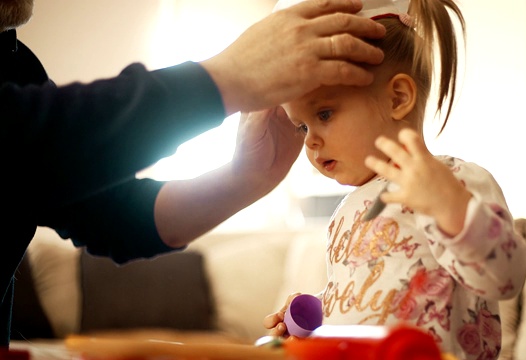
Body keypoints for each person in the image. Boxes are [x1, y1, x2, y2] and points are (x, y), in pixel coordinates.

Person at [0, 0, 388, 347]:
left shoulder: (15, 61)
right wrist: (226, 76)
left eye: (322, 116)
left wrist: (246, 177)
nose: (311, 141)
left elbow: (108, 214)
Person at [263, 0, 526, 359]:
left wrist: (452, 208)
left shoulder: (453, 180)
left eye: (324, 113)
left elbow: (506, 277)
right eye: (302, 125)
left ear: (398, 97)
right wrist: (315, 312)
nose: (309, 139)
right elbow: (371, 293)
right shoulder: (348, 209)